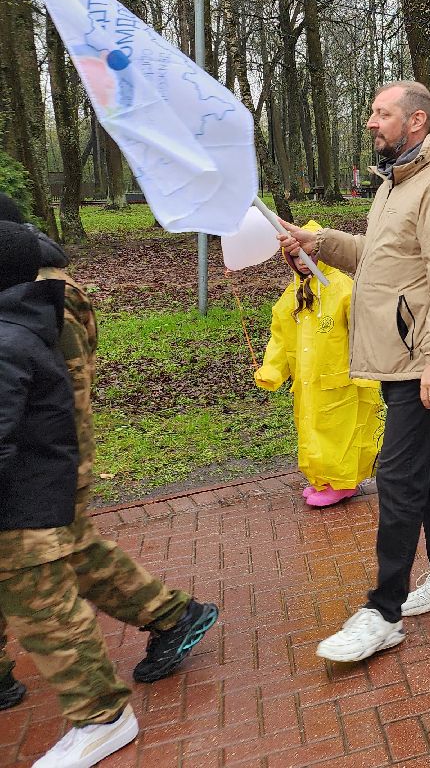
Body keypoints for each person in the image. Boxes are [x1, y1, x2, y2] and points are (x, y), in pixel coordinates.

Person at [0, 213, 218, 768]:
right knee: (52, 552)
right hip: (38, 459)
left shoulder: (43, 296)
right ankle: (170, 615)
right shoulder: (32, 286)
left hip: (45, 456)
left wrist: (54, 470)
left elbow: (62, 388)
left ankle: (160, 628)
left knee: (46, 556)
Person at [281, 81, 430, 664]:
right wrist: (317, 242)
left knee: (398, 477)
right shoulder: (399, 181)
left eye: (382, 113)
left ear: (416, 121)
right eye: (372, 112)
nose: (371, 122)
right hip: (401, 355)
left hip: (423, 356)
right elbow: (382, 257)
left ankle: (383, 611)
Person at [255, 224, 384, 508]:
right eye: (295, 257)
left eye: (306, 255)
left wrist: (369, 371)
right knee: (312, 431)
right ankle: (322, 478)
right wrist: (273, 370)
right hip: (308, 384)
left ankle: (342, 481)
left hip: (341, 382)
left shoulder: (342, 289)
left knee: (340, 433)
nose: (302, 263)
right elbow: (281, 338)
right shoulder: (291, 296)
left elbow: (365, 330)